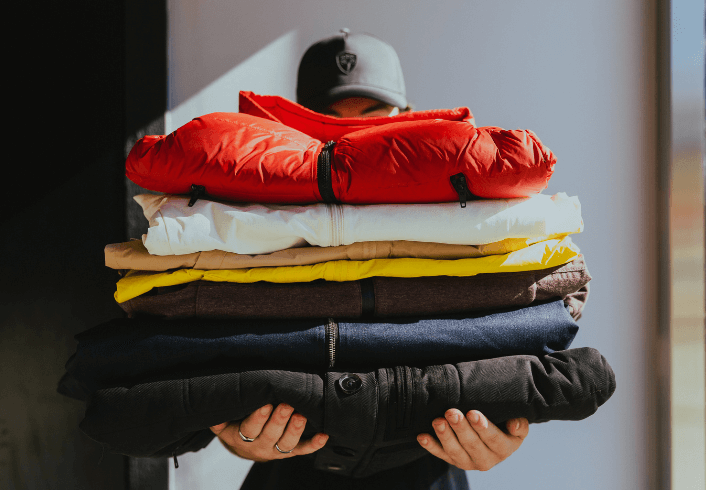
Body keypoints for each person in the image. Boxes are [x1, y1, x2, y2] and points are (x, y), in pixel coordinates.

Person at [210, 30, 530, 489]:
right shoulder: (256, 222)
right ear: (296, 127)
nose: (353, 139)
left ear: (406, 119)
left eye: (373, 119)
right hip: (290, 474)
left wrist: (502, 427)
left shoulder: (457, 219)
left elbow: (500, 337)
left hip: (427, 471)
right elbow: (214, 354)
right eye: (330, 123)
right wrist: (234, 435)